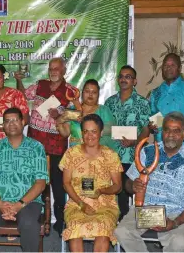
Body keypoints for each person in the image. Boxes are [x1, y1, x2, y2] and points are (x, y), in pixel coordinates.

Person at [114, 112, 184, 252]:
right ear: (162, 132)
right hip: (146, 210)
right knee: (122, 232)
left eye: (176, 130)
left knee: (179, 244)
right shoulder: (147, 152)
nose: (171, 134)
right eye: (167, 129)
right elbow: (128, 184)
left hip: (175, 213)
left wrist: (175, 222)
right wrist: (133, 186)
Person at [149, 53, 184, 250]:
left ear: (179, 67)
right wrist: (155, 128)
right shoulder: (155, 93)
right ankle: (162, 231)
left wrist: (181, 129)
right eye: (165, 65)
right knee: (162, 192)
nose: (168, 68)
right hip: (161, 151)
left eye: (172, 65)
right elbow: (153, 119)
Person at [0, 108, 49, 252]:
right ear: (3, 125)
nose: (11, 124)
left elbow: (40, 183)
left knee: (29, 224)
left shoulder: (36, 147)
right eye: (7, 121)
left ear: (23, 122)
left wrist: (19, 205)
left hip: (28, 201)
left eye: (15, 120)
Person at [15, 57, 73, 234]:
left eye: (56, 68)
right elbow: (22, 96)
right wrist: (19, 80)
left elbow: (75, 116)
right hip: (35, 145)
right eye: (51, 68)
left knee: (57, 185)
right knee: (35, 183)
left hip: (56, 146)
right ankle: (35, 218)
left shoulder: (71, 91)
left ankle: (60, 221)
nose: (53, 71)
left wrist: (59, 115)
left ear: (64, 70)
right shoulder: (40, 85)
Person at [60, 114, 123, 252]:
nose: (89, 135)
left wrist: (101, 191)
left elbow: (118, 186)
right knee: (75, 226)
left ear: (101, 133)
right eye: (86, 131)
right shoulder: (71, 153)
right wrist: (81, 204)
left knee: (103, 227)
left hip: (105, 204)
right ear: (81, 133)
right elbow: (66, 183)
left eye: (94, 131)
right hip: (77, 203)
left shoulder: (111, 155)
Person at [104, 65, 151, 221]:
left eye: (128, 76)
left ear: (135, 81)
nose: (124, 79)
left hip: (132, 156)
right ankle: (112, 225)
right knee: (113, 193)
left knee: (128, 192)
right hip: (112, 155)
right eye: (122, 76)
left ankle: (126, 229)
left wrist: (135, 142)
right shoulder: (109, 102)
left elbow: (146, 130)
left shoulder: (142, 103)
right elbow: (105, 127)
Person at [56, 79, 117, 149]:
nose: (90, 94)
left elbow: (111, 131)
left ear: (98, 95)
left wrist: (85, 122)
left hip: (98, 154)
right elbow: (65, 133)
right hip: (76, 154)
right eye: (87, 91)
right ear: (82, 93)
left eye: (94, 92)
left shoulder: (104, 110)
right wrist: (60, 121)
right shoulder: (73, 109)